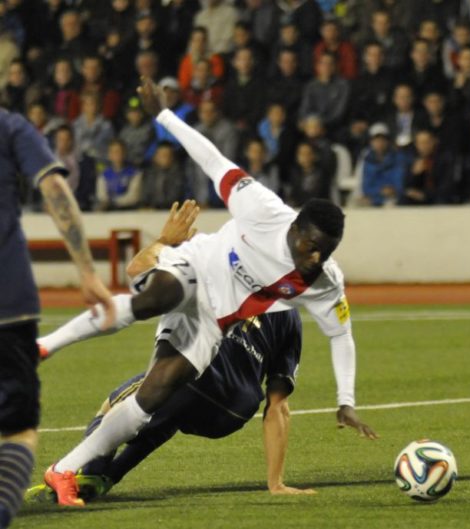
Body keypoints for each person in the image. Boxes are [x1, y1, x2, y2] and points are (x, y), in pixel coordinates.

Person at [42, 77, 377, 506]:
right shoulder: (261, 208)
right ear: (294, 227)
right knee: (157, 307)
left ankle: (69, 469)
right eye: (311, 246)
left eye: (324, 252)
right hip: (195, 273)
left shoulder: (323, 280)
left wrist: (346, 401)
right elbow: (211, 157)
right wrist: (163, 115)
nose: (314, 258)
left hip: (211, 330)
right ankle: (45, 350)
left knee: (150, 398)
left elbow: (341, 336)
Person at [28, 202, 317, 500]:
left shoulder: (215, 261)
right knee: (167, 416)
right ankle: (107, 477)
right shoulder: (290, 314)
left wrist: (165, 241)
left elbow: (137, 269)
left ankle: (81, 476)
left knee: (121, 406)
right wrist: (276, 483)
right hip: (232, 412)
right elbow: (278, 406)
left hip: (198, 377)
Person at [0, 107, 114, 528]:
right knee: (16, 428)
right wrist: (87, 271)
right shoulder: (10, 126)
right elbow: (54, 187)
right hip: (9, 302)